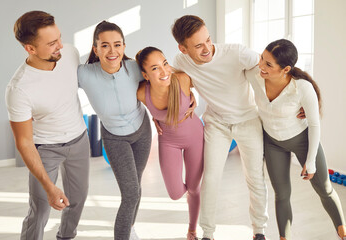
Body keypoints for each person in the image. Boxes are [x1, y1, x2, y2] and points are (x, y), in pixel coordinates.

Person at [171, 15, 268, 240]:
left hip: (248, 120)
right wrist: (190, 93)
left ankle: (259, 231)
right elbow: (174, 77)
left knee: (255, 177)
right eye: (198, 45)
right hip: (217, 123)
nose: (207, 48)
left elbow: (270, 68)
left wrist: (299, 97)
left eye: (208, 40)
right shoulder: (180, 61)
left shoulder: (236, 53)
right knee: (212, 178)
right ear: (183, 49)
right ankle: (208, 233)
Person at [245, 38, 346, 240]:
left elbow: (315, 124)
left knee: (325, 189)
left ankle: (342, 232)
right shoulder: (254, 75)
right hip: (273, 142)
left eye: (268, 64)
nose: (261, 66)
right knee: (281, 195)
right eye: (262, 59)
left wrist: (310, 162)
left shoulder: (302, 88)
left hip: (303, 141)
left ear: (285, 69)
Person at [5, 11, 90, 240]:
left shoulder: (70, 53)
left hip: (79, 139)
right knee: (41, 208)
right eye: (52, 43)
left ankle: (66, 236)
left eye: (59, 38)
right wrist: (50, 187)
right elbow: (24, 141)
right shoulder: (19, 88)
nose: (60, 46)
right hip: (45, 148)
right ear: (30, 49)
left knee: (78, 199)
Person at [77, 20, 152, 240]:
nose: (112, 51)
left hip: (142, 131)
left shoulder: (135, 68)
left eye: (117, 45)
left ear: (124, 47)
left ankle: (129, 228)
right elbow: (58, 83)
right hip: (114, 137)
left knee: (136, 187)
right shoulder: (84, 74)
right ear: (96, 49)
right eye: (105, 45)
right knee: (130, 194)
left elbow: (164, 77)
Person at [136, 47, 204, 240]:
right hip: (168, 141)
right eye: (155, 68)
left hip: (194, 136)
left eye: (165, 63)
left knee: (194, 187)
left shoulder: (181, 80)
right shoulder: (141, 92)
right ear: (145, 75)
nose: (164, 71)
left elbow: (206, 85)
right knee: (175, 193)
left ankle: (192, 230)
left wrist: (195, 100)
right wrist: (153, 117)